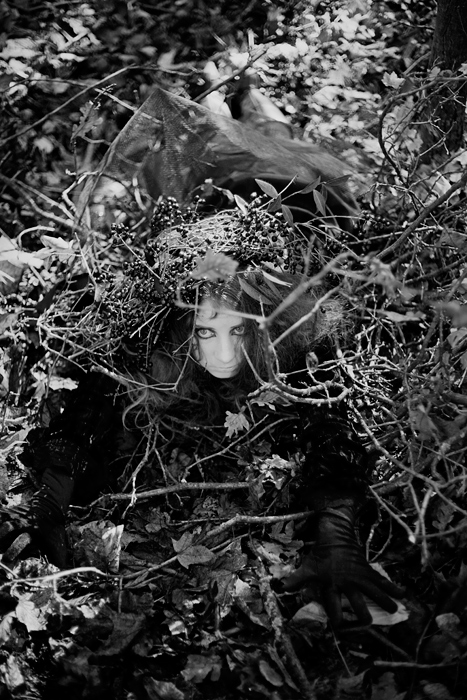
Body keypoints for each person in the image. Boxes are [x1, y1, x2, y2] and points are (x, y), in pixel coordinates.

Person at [0, 76, 402, 629]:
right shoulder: (170, 319)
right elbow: (94, 384)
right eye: (206, 334)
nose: (220, 352)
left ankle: (249, 94)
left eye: (237, 333)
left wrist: (337, 535)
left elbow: (334, 422)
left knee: (274, 138)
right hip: (220, 211)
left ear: (263, 331)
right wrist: (50, 496)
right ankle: (218, 95)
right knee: (207, 135)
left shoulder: (299, 332)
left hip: (306, 201)